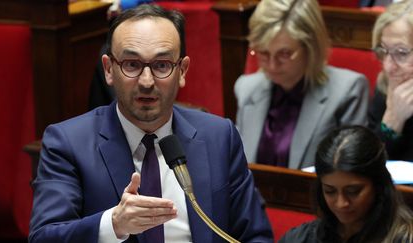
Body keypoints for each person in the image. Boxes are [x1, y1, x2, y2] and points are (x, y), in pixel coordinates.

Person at [29, 4, 273, 243]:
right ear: (109, 69)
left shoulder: (219, 137)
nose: (146, 81)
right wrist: (113, 224)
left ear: (183, 71)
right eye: (132, 65)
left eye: (162, 65)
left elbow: (255, 235)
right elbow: (44, 236)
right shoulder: (67, 143)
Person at [234, 0, 369, 169]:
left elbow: (351, 173)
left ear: (310, 47)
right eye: (263, 53)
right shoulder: (245, 88)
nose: (272, 65)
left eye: (284, 54)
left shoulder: (348, 91)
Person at [279, 125, 413, 243]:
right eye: (330, 191)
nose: (341, 203)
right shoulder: (300, 239)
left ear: (378, 185)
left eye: (353, 191)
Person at [368, 0, 413, 161]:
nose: (388, 67)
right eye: (384, 51)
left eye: (401, 53)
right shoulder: (385, 87)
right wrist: (393, 120)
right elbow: (366, 165)